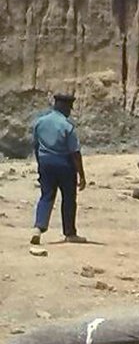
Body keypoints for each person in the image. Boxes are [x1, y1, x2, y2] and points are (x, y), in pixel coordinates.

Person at [30, 93, 88, 244]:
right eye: (69, 107)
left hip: (45, 163)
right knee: (69, 198)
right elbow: (75, 152)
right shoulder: (67, 126)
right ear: (64, 107)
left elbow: (36, 146)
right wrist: (81, 175)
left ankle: (38, 227)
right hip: (64, 164)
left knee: (46, 195)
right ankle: (70, 233)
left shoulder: (40, 122)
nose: (70, 111)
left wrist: (40, 163)